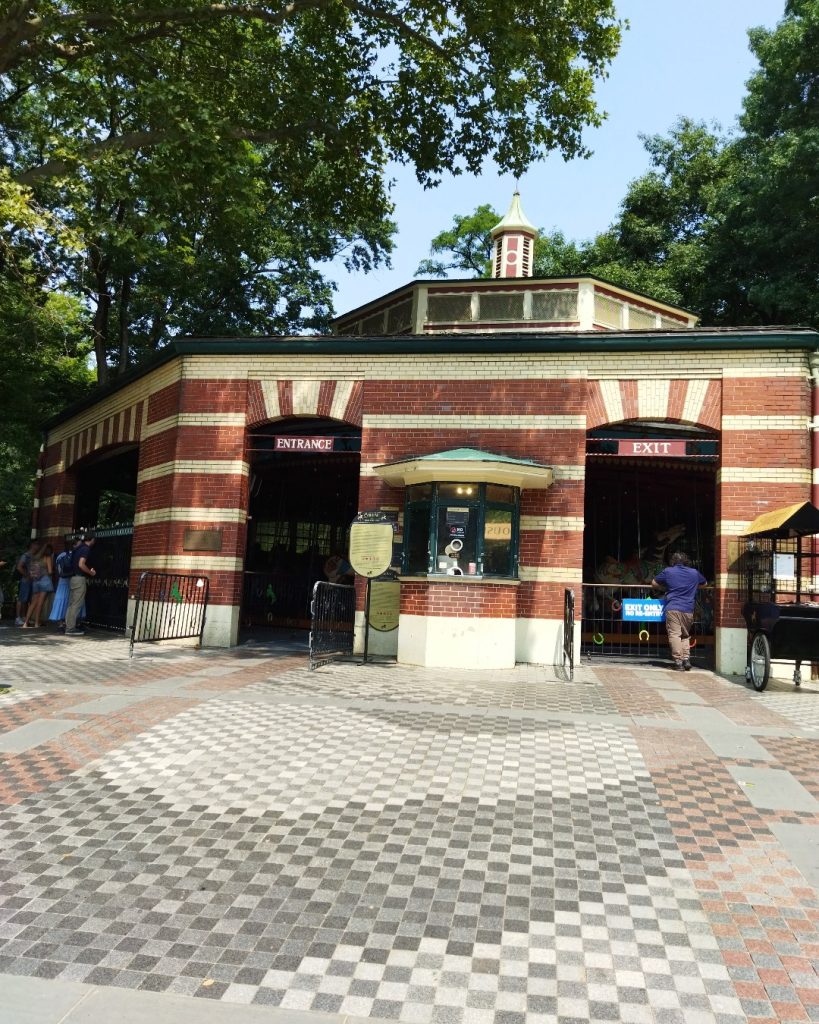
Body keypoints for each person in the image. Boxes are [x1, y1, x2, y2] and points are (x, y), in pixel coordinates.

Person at [651, 551, 706, 671]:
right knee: (685, 635)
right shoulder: (694, 572)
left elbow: (654, 582)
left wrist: (664, 588)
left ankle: (678, 662)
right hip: (688, 609)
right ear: (686, 561)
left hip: (673, 607)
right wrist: (693, 587)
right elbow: (705, 583)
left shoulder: (668, 571)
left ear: (673, 561)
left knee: (674, 634)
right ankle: (686, 659)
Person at [65, 532, 96, 636]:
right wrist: (90, 572)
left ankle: (68, 626)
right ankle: (70, 628)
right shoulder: (86, 549)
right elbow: (81, 564)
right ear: (91, 540)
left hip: (72, 578)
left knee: (71, 604)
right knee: (76, 604)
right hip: (79, 579)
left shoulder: (77, 548)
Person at [49, 539, 81, 630]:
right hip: (71, 578)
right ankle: (70, 621)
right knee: (71, 601)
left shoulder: (60, 555)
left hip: (62, 580)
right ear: (73, 545)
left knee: (61, 600)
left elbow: (57, 568)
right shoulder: (74, 554)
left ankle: (60, 622)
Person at [22, 542, 54, 628]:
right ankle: (36, 623)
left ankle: (25, 623)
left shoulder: (34, 558)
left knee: (33, 603)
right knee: (40, 603)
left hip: (35, 581)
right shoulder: (47, 557)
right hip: (44, 580)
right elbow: (50, 571)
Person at [14, 540, 38, 626]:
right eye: (36, 544)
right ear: (32, 545)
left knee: (26, 599)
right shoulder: (26, 555)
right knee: (21, 598)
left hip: (30, 581)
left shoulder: (32, 556)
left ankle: (24, 617)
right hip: (25, 581)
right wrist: (26, 575)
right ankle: (18, 618)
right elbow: (19, 567)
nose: (38, 546)